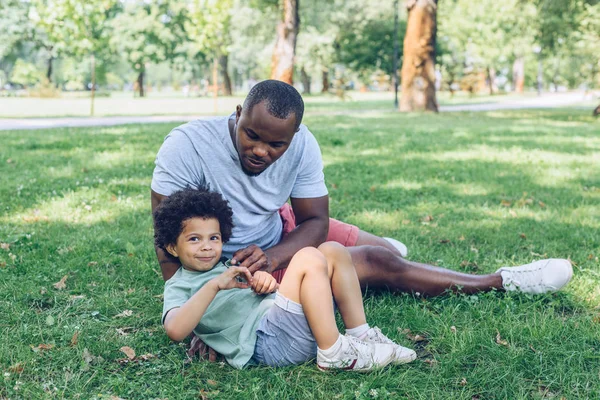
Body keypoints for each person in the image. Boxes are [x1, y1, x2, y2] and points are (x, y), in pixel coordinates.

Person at [151, 79, 573, 359]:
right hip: (237, 264)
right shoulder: (188, 145)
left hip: (283, 234)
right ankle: (500, 280)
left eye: (275, 143)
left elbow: (315, 220)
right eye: (252, 136)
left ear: (294, 136)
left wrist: (277, 254)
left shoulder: (302, 144)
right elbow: (167, 237)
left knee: (381, 254)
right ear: (238, 112)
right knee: (381, 265)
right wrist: (203, 324)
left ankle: (378, 254)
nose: (261, 151)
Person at [155, 187, 417, 371]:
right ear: (172, 248)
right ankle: (335, 353)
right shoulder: (179, 285)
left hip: (287, 325)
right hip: (267, 343)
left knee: (333, 251)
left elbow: (260, 299)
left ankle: (361, 334)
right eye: (194, 239)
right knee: (307, 257)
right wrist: (214, 286)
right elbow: (176, 330)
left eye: (213, 238)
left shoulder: (229, 266)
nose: (206, 247)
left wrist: (264, 284)